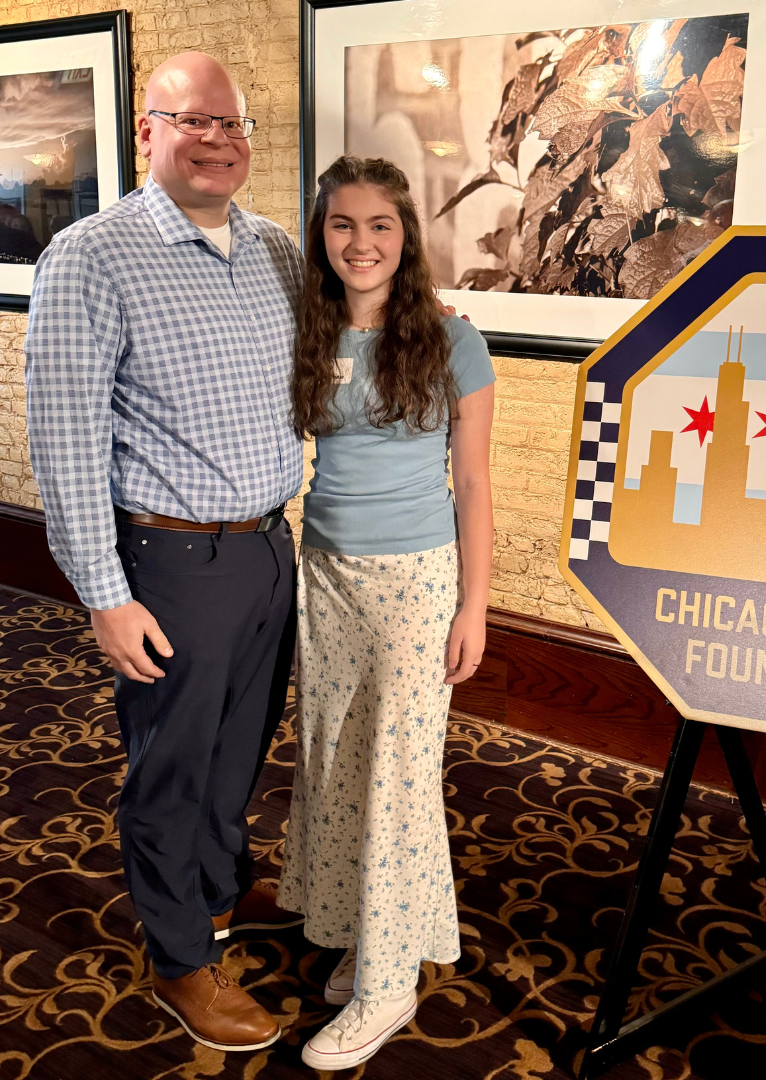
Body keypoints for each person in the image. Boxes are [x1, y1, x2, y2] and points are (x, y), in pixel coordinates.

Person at [24, 52, 307, 1052]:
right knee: (171, 770)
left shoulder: (273, 248)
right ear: (148, 131)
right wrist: (105, 594)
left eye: (232, 124)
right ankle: (182, 958)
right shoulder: (92, 257)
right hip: (170, 565)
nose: (218, 140)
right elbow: (62, 440)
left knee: (239, 753)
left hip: (271, 550)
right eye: (193, 121)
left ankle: (222, 884)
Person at [277, 156, 494, 1072]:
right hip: (324, 574)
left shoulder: (453, 340)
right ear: (320, 235)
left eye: (380, 226)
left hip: (416, 582)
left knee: (399, 777)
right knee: (335, 758)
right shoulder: (305, 326)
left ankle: (390, 983)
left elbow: (477, 483)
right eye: (341, 225)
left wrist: (476, 607)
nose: (360, 243)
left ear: (406, 238)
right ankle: (368, 932)